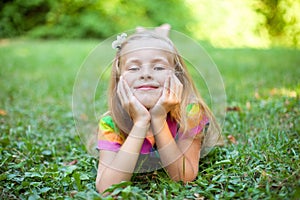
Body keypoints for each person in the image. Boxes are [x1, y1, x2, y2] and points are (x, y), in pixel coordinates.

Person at [95, 24, 223, 193]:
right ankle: (155, 36)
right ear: (120, 78)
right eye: (134, 68)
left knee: (160, 49)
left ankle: (160, 35)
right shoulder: (110, 122)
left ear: (176, 76)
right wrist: (140, 123)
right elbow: (107, 188)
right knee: (156, 50)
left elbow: (184, 176)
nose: (146, 74)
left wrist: (158, 118)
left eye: (159, 67)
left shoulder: (190, 112)